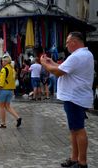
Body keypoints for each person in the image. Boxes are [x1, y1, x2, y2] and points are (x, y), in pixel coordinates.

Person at [40, 32, 93, 168]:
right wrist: (51, 62)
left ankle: (82, 162)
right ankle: (74, 158)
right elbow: (62, 68)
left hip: (74, 97)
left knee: (79, 129)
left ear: (74, 42)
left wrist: (44, 65)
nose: (67, 45)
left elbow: (57, 72)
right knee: (74, 129)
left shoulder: (77, 56)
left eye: (68, 42)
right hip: (76, 97)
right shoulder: (85, 54)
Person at [0, 53, 22, 128]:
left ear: (6, 62)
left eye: (3, 61)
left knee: (1, 107)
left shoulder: (4, 69)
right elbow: (13, 80)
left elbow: (1, 82)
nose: (2, 63)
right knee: (8, 106)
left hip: (3, 90)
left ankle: (3, 123)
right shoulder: (12, 69)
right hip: (10, 90)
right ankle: (18, 118)